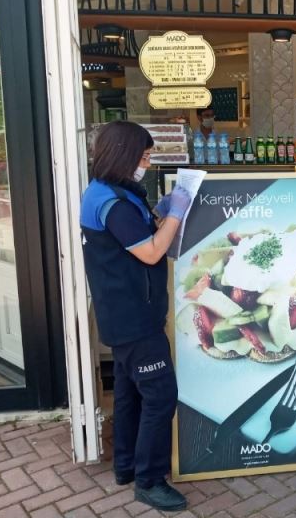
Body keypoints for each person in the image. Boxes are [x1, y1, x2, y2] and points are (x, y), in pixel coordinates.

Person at [80, 121, 192, 512]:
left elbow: (134, 235)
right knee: (160, 396)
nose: (147, 164)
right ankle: (149, 480)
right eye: (143, 157)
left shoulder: (109, 191)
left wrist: (159, 212)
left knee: (129, 393)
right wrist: (176, 214)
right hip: (134, 318)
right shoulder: (112, 202)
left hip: (122, 313)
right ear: (124, 156)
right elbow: (150, 251)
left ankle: (126, 466)